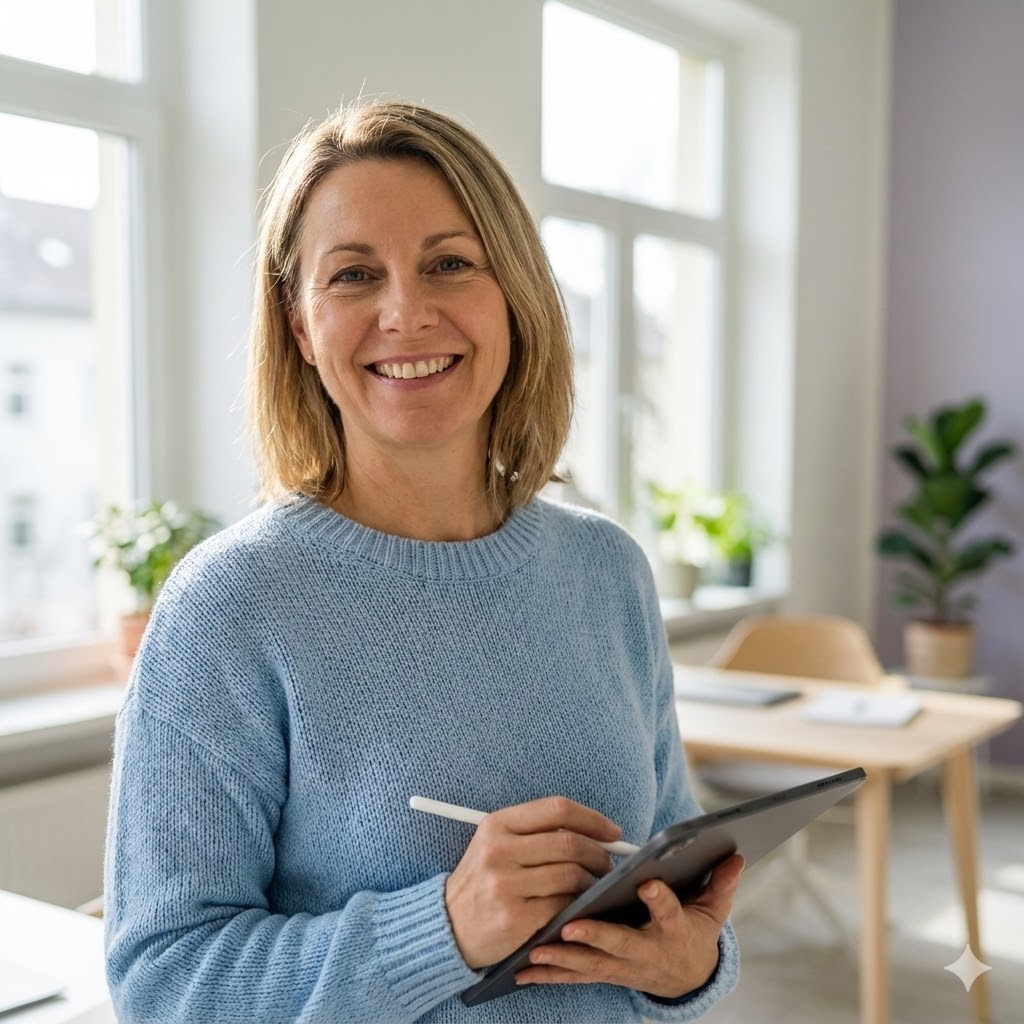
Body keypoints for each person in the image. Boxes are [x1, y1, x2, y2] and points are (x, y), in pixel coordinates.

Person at [104, 98, 742, 1024]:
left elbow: (675, 878)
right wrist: (440, 928)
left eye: (449, 263)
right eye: (355, 275)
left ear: (513, 294)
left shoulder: (608, 573)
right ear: (299, 326)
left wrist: (685, 966)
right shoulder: (230, 605)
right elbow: (163, 985)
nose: (407, 313)